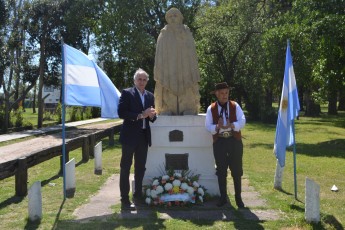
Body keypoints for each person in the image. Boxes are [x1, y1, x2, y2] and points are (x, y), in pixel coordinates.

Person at [118, 68, 157, 210]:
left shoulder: (150, 96)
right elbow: (122, 113)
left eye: (144, 79)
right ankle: (124, 199)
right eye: (139, 79)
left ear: (147, 81)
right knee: (125, 168)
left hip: (143, 137)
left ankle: (138, 196)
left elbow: (152, 116)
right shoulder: (127, 93)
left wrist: (152, 116)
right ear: (134, 80)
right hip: (129, 137)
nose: (141, 82)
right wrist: (142, 115)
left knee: (140, 168)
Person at [205, 82, 246, 208]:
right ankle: (223, 198)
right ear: (217, 94)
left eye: (226, 93)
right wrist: (217, 126)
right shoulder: (211, 108)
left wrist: (232, 125)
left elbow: (242, 120)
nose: (224, 96)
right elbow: (208, 126)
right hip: (220, 142)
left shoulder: (235, 106)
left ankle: (238, 198)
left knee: (237, 170)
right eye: (222, 93)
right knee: (221, 170)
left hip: (234, 141)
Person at [154, 7, 200, 115]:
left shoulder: (186, 32)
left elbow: (192, 52)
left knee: (187, 85)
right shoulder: (163, 34)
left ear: (180, 17)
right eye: (170, 16)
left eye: (175, 15)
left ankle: (189, 107)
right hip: (168, 68)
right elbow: (159, 54)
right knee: (166, 86)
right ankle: (166, 108)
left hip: (185, 66)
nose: (173, 18)